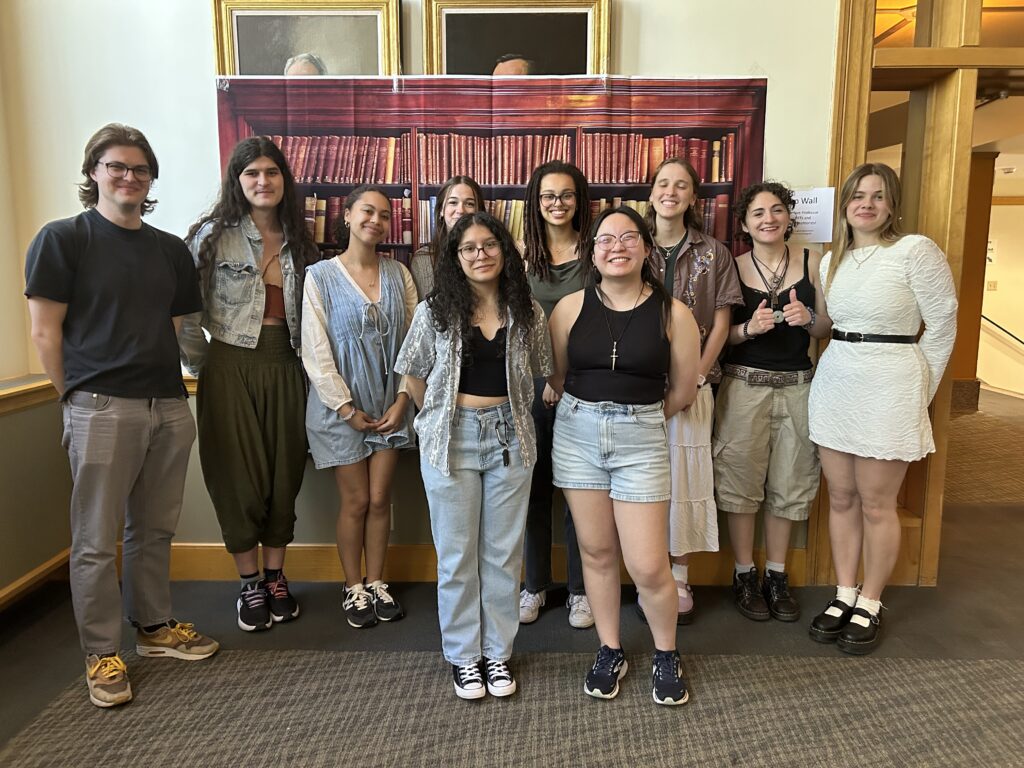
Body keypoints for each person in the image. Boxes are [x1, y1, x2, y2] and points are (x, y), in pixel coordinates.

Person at [24, 123, 219, 708]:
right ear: (93, 173)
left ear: (151, 178)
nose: (129, 176)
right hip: (100, 404)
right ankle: (102, 652)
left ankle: (154, 629)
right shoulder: (63, 239)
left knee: (154, 527)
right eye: (116, 166)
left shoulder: (168, 249)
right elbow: (44, 330)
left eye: (139, 168)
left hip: (167, 404)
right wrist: (76, 397)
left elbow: (186, 330)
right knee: (93, 539)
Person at [547, 206, 701, 706]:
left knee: (649, 564)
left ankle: (664, 652)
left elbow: (681, 391)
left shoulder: (673, 313)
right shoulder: (569, 308)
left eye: (628, 237)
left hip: (640, 439)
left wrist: (633, 417)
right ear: (593, 251)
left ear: (645, 247)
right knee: (595, 551)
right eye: (606, 239)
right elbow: (558, 377)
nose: (617, 246)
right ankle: (610, 648)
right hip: (577, 436)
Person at [395, 211, 551, 700]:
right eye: (468, 248)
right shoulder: (435, 310)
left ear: (504, 251)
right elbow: (413, 375)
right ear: (455, 257)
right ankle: (465, 657)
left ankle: (497, 655)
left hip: (511, 436)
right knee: (457, 556)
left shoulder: (527, 310)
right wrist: (442, 419)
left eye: (489, 245)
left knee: (502, 555)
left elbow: (544, 370)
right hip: (451, 438)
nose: (480, 255)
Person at [808, 163, 957, 654]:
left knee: (877, 503)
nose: (866, 204)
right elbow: (830, 324)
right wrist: (805, 319)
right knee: (842, 497)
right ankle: (843, 593)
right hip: (838, 380)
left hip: (892, 382)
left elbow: (942, 327)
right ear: (846, 203)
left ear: (891, 204)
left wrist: (920, 390)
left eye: (877, 196)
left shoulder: (915, 250)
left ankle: (870, 602)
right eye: (857, 195)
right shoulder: (832, 260)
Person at [180, 136, 318, 632]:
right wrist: (208, 368)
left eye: (272, 172)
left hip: (288, 366)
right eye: (252, 173)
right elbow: (186, 315)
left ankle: (277, 576)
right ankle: (249, 583)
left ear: (285, 180)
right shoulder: (212, 238)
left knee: (285, 476)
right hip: (229, 368)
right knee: (236, 479)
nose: (263, 181)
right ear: (237, 181)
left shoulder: (302, 241)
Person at [713, 182, 832, 623]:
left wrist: (811, 320)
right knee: (740, 483)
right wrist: (749, 329)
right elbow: (718, 337)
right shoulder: (731, 265)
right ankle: (744, 573)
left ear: (788, 217)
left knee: (791, 481)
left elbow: (826, 330)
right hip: (743, 387)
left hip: (800, 387)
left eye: (777, 210)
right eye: (758, 213)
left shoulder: (813, 262)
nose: (769, 219)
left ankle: (777, 576)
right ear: (744, 224)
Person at [302, 185, 417, 628]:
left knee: (380, 498)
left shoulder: (399, 274)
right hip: (341, 409)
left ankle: (376, 581)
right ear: (347, 216)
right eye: (367, 211)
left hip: (390, 405)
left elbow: (413, 346)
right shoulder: (320, 276)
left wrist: (403, 400)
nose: (376, 220)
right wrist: (347, 409)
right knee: (354, 502)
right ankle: (353, 588)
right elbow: (314, 350)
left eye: (385, 214)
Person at [644, 157, 742, 623]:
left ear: (692, 197)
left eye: (680, 185)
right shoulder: (632, 245)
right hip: (638, 387)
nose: (671, 191)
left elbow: (722, 320)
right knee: (643, 481)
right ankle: (651, 575)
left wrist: (696, 377)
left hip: (695, 384)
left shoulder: (713, 252)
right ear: (651, 193)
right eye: (663, 183)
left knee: (687, 479)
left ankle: (679, 579)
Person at [519, 160, 593, 628]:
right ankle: (534, 586)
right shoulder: (520, 257)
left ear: (579, 201)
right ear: (536, 202)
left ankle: (582, 590)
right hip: (526, 391)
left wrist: (562, 380)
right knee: (532, 492)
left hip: (584, 389)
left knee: (580, 492)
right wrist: (543, 382)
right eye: (548, 196)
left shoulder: (596, 253)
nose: (557, 203)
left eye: (566, 195)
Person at [408, 175, 485, 300]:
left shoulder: (488, 256)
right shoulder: (423, 260)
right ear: (441, 211)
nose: (460, 210)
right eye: (453, 202)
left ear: (479, 211)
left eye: (469, 203)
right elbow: (426, 312)